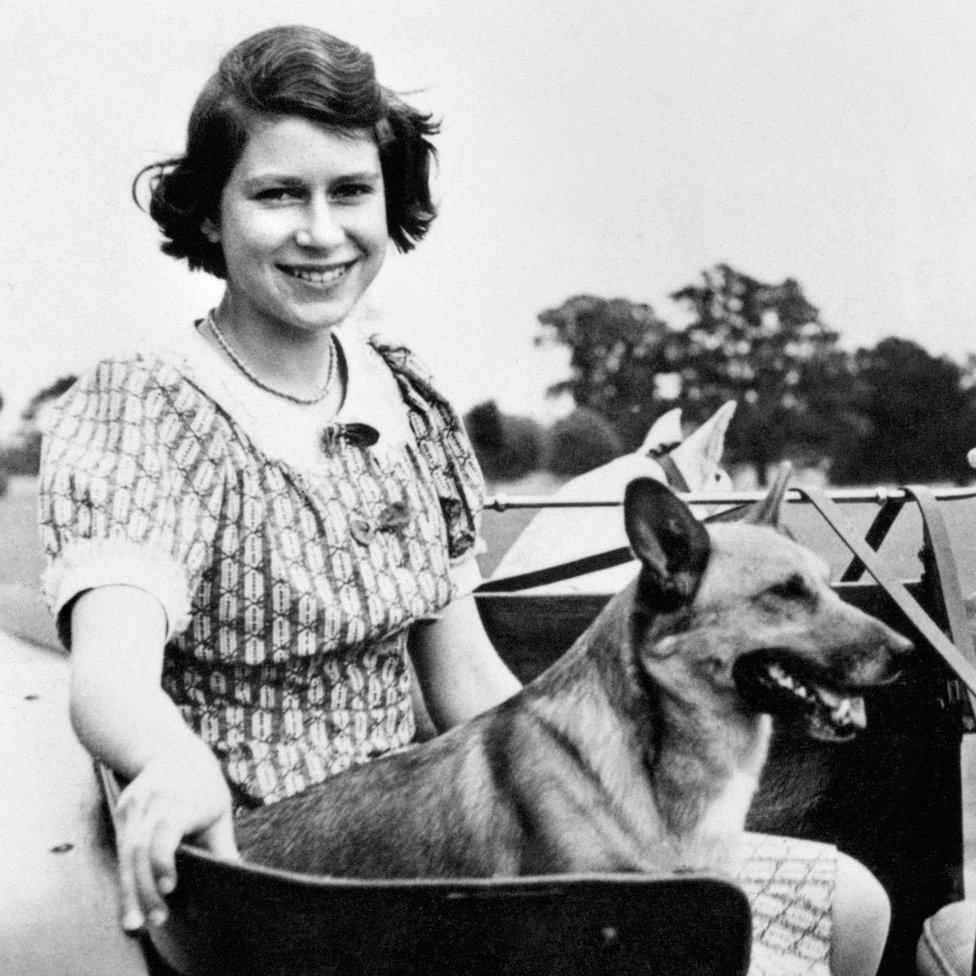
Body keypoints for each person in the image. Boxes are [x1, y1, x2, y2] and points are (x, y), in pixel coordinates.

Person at [38, 24, 890, 976]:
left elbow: (466, 682)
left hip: (431, 836)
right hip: (269, 879)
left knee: (848, 908)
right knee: (693, 945)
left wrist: (615, 795)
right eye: (279, 193)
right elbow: (110, 672)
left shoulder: (405, 399)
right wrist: (171, 759)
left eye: (351, 191)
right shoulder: (143, 407)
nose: (322, 232)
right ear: (208, 214)